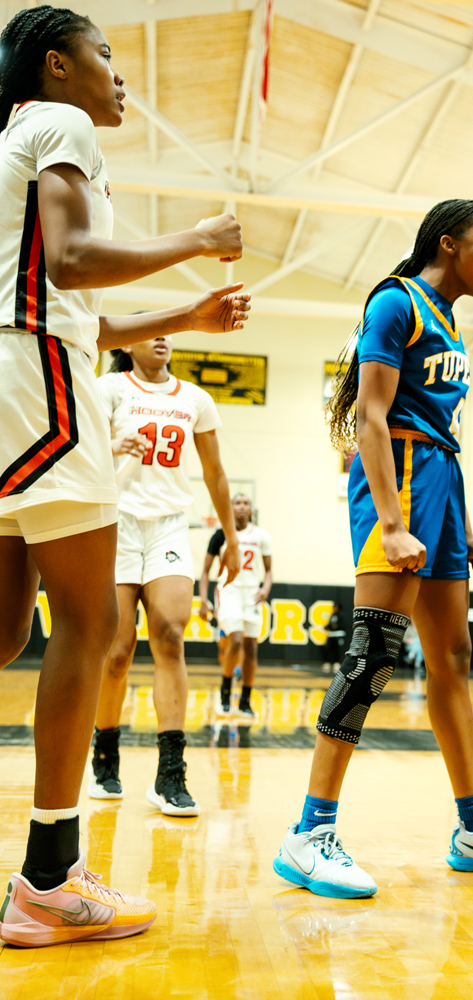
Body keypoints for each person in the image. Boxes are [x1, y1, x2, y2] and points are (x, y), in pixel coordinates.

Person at [0, 6, 247, 947]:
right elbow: (71, 263)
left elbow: (77, 314)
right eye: (104, 52)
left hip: (18, 370)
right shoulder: (54, 121)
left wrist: (186, 311)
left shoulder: (14, 137)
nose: (117, 68)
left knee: (3, 630)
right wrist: (194, 238)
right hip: (39, 387)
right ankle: (50, 882)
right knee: (92, 622)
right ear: (57, 66)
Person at [272, 199, 473, 899]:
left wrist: (457, 531)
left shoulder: (451, 321)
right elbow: (370, 418)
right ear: (447, 240)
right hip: (393, 481)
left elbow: (433, 430)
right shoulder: (396, 302)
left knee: (452, 664)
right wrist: (397, 522)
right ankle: (308, 834)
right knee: (372, 654)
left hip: (438, 482)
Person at [89, 337, 240, 815]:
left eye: (167, 331)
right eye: (150, 330)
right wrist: (112, 445)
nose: (161, 337)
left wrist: (231, 539)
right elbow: (75, 447)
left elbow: (215, 472)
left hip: (171, 524)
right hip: (115, 522)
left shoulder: (195, 398)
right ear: (127, 346)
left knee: (171, 636)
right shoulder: (110, 388)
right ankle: (105, 756)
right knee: (117, 651)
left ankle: (170, 775)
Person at [199, 493, 272, 719]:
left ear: (251, 508)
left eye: (245, 503)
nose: (241, 506)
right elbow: (204, 572)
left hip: (251, 594)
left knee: (251, 648)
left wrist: (265, 589)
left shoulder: (261, 536)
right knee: (236, 640)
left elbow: (269, 571)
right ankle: (224, 695)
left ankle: (245, 702)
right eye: (237, 503)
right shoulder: (220, 535)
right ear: (230, 508)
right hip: (228, 591)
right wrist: (203, 600)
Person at [322, 602, 346, 673]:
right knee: (329, 649)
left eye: (336, 607)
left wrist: (337, 626)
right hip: (331, 634)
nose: (335, 609)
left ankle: (337, 662)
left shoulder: (341, 616)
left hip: (338, 635)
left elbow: (343, 626)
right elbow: (330, 625)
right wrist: (327, 627)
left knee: (337, 649)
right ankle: (329, 662)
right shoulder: (332, 615)